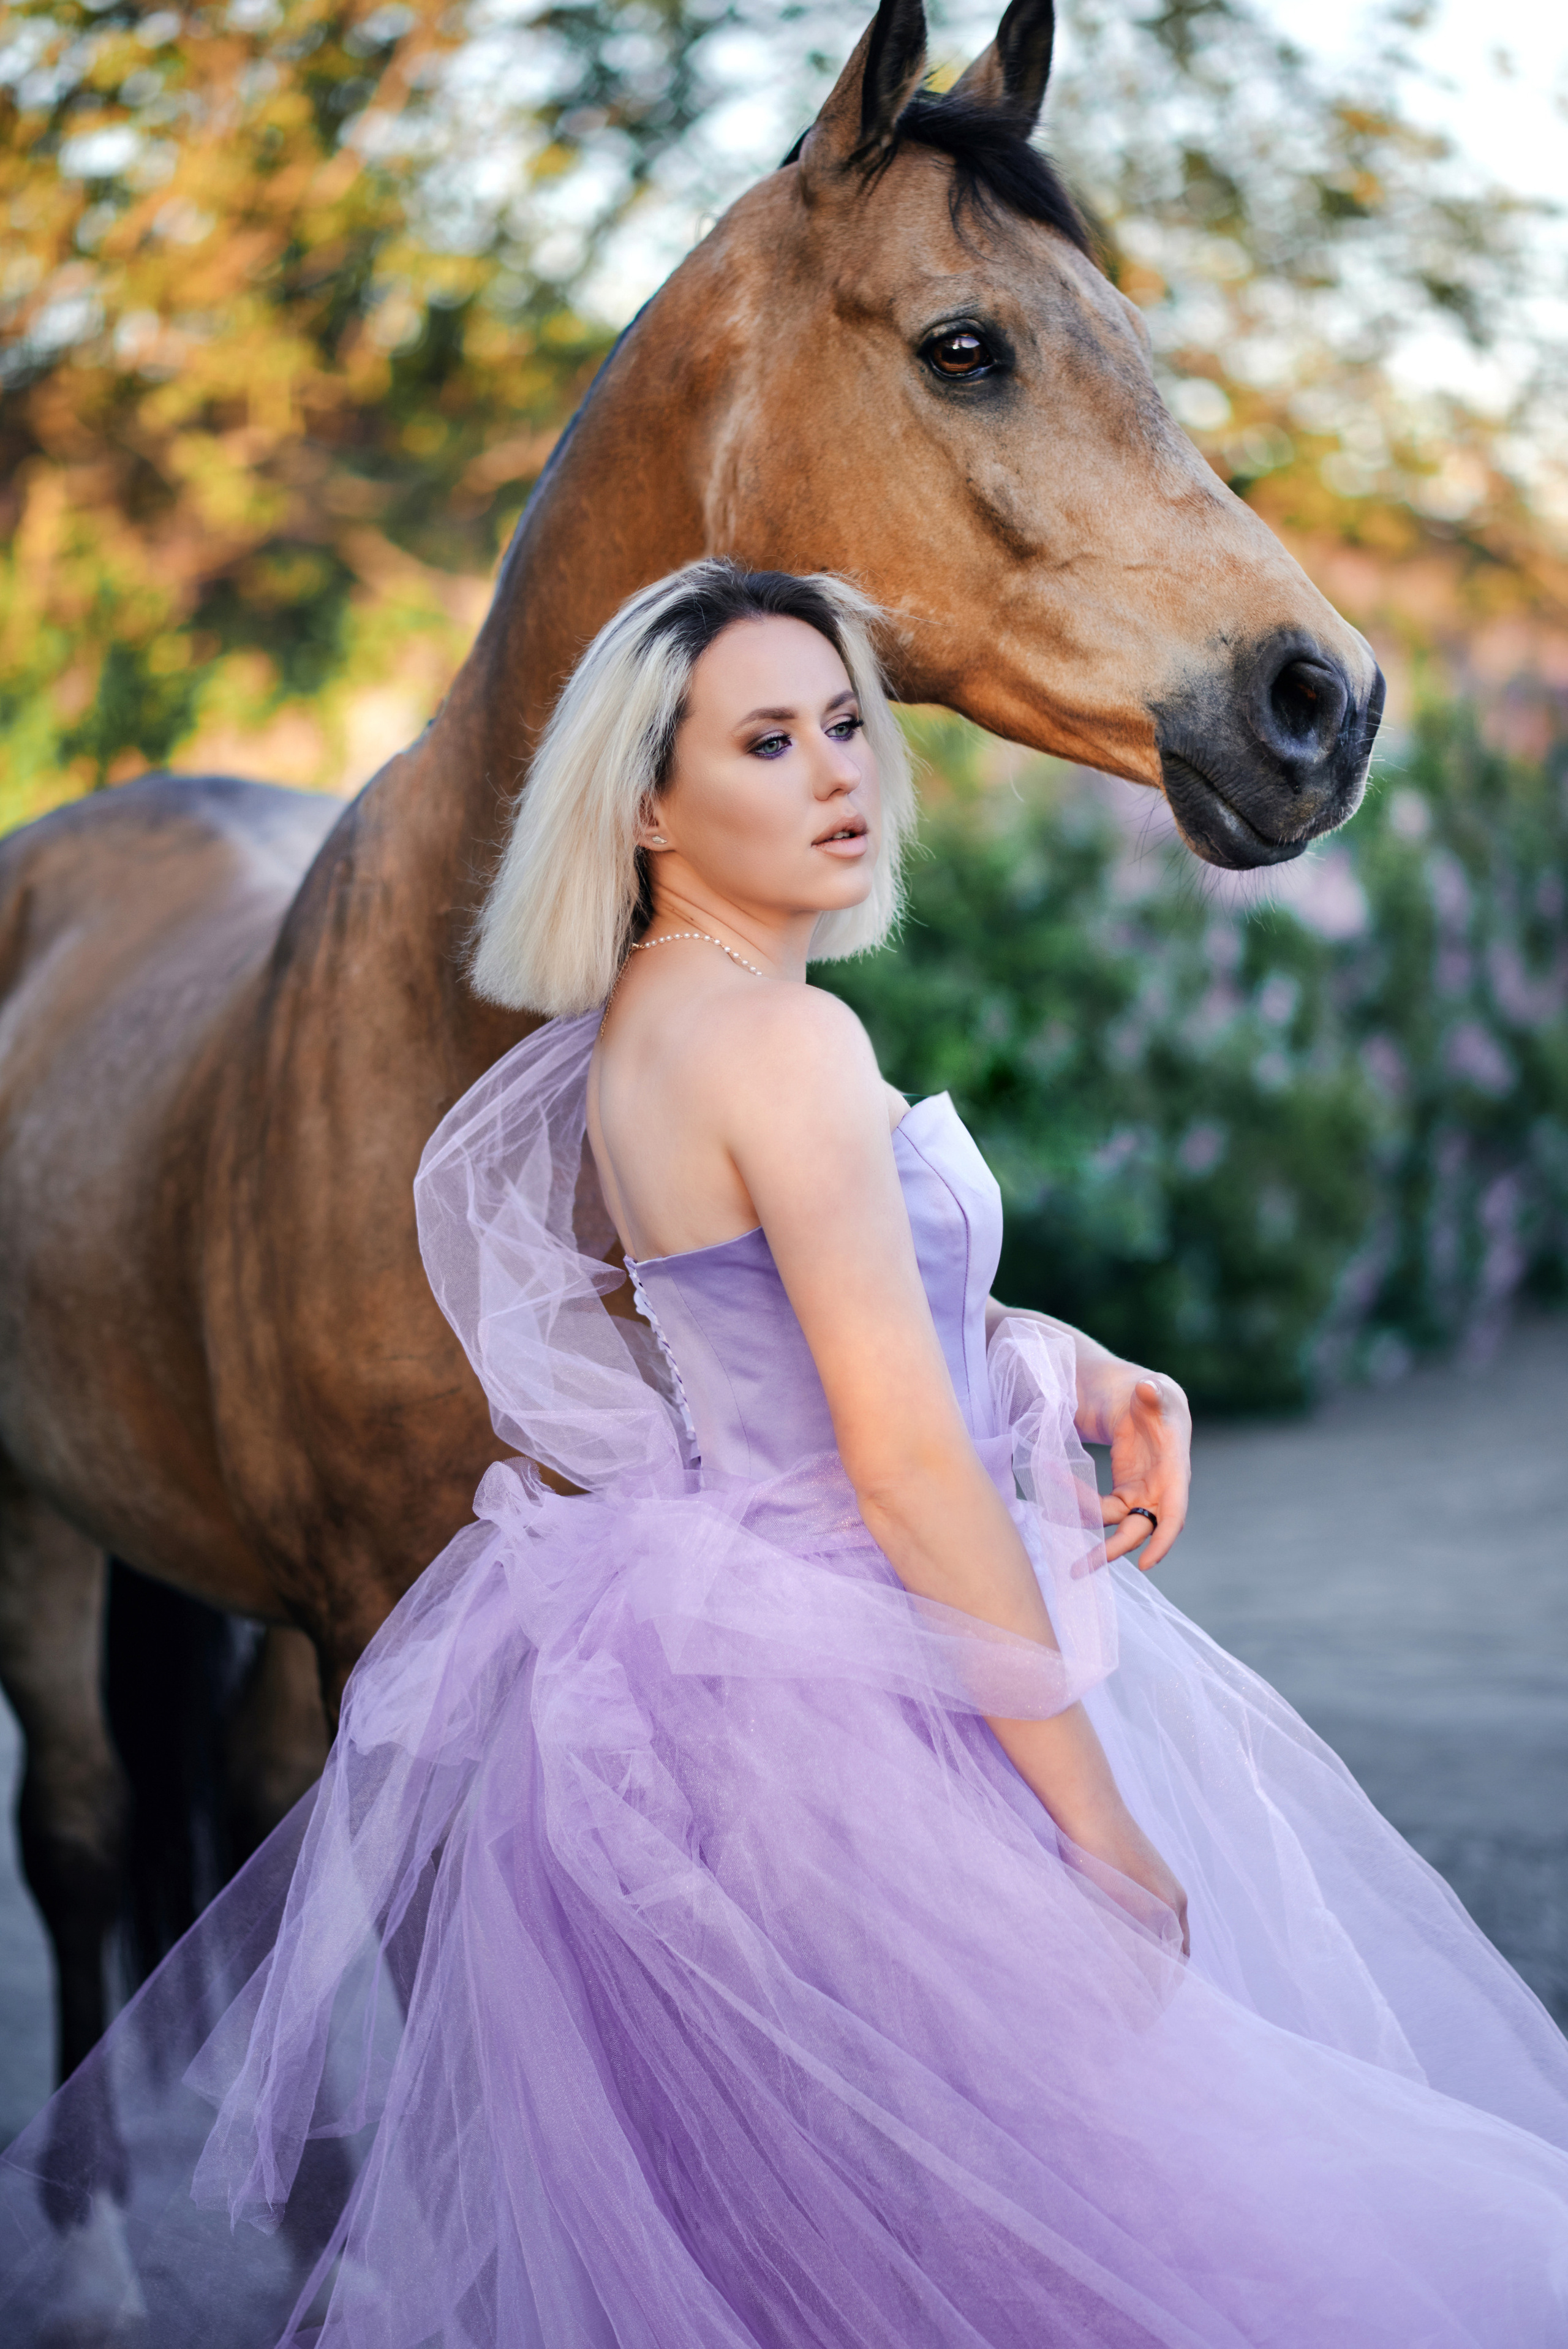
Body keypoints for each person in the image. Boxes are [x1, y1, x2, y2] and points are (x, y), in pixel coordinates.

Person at [5, 562, 1568, 2348]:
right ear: (650, 806)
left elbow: (781, 1327)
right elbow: (899, 1460)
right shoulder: (793, 1043)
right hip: (859, 1688)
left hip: (698, 1666)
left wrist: (1055, 1352)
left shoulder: (645, 1032)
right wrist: (1096, 1819)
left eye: (843, 722)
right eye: (768, 739)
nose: (839, 772)